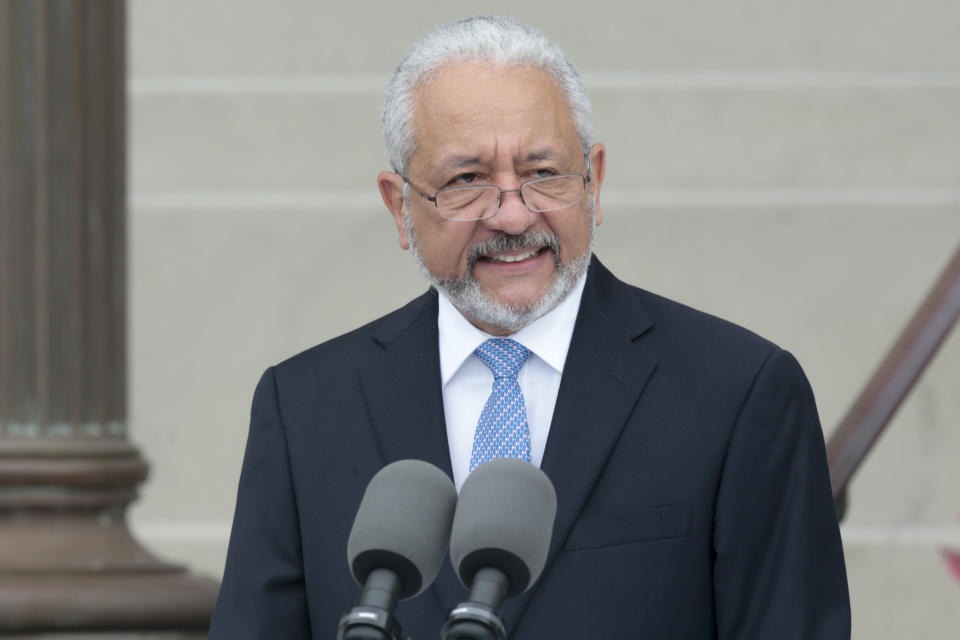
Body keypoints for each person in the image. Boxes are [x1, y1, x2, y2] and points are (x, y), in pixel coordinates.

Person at [210, 16, 850, 639]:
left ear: (593, 182)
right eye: (467, 181)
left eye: (543, 173)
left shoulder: (738, 393)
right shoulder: (303, 407)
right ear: (400, 207)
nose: (513, 215)